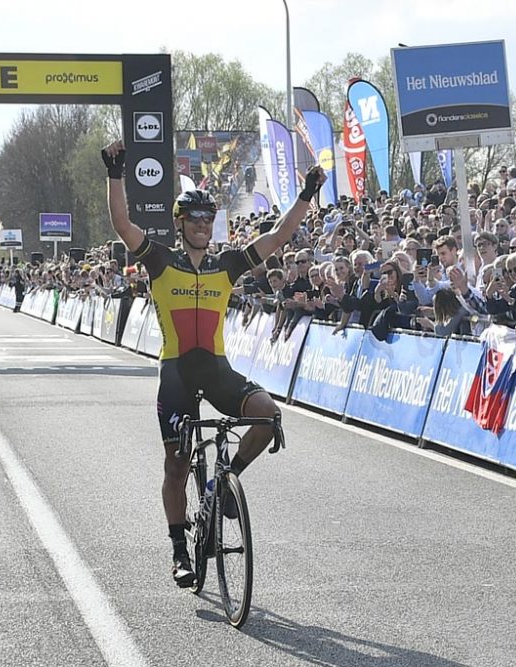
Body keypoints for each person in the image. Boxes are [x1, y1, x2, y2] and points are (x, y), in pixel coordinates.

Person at [101, 139, 325, 588]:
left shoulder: (226, 264)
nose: (204, 225)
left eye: (209, 218)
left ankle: (225, 485)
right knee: (176, 465)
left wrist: (306, 194)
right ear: (181, 224)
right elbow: (123, 223)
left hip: (218, 369)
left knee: (268, 415)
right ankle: (179, 550)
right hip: (177, 373)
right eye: (195, 219)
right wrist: (115, 171)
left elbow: (279, 237)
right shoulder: (160, 260)